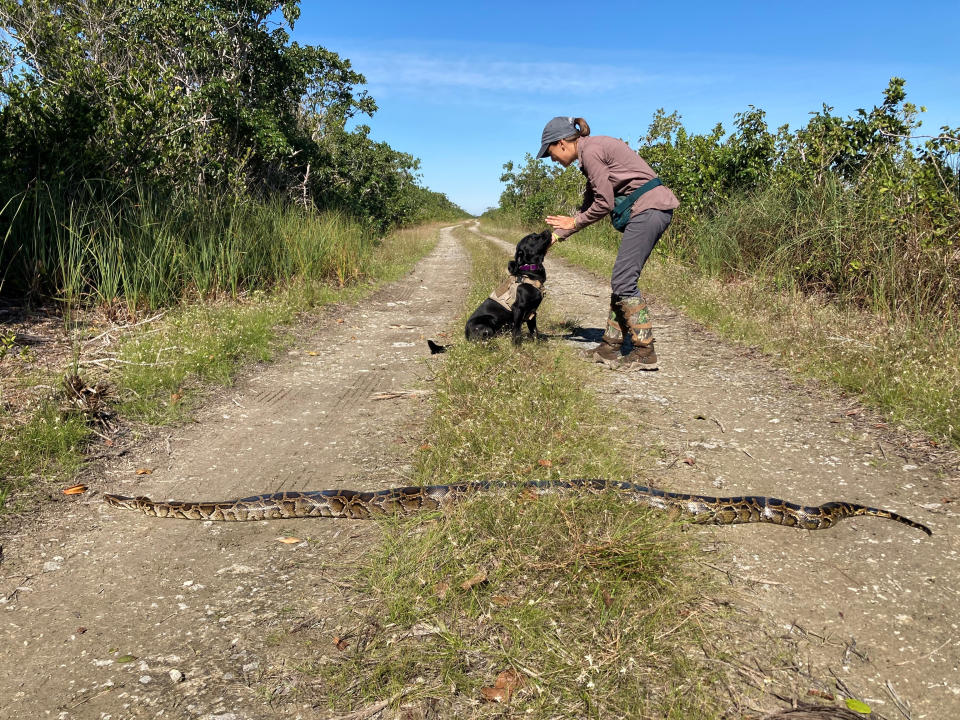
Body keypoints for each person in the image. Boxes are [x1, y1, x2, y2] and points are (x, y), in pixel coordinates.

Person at [539, 116, 678, 370]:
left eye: (550, 154)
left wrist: (574, 222)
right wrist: (555, 236)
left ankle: (644, 351)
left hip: (649, 209)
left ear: (561, 143)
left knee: (624, 281)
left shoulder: (591, 152)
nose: (554, 161)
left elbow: (604, 204)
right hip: (649, 209)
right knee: (621, 279)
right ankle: (610, 347)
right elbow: (590, 204)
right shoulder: (590, 151)